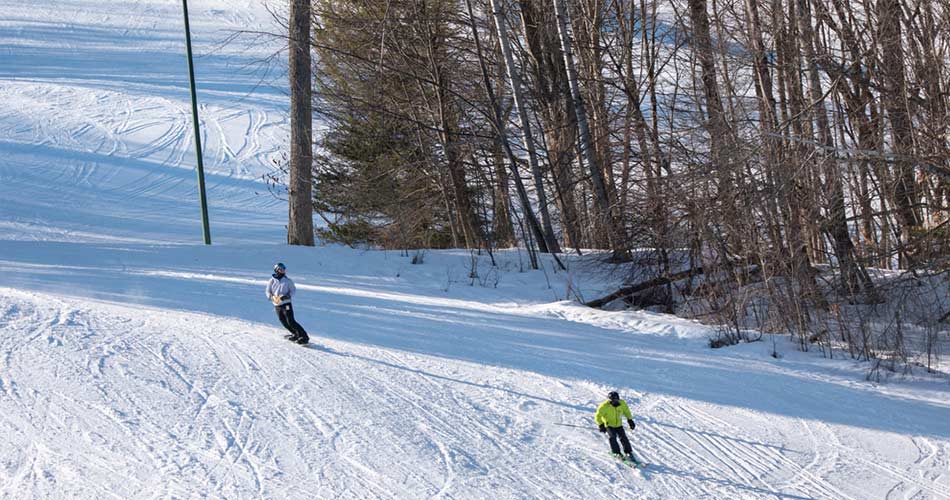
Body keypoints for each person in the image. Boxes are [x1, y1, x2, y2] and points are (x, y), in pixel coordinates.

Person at [265, 262, 309, 344]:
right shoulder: (271, 281)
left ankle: (304, 337)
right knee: (283, 321)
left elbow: (293, 291)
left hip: (286, 303)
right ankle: (295, 334)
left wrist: (287, 296)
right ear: (277, 270)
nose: (283, 270)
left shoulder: (288, 281)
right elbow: (267, 291)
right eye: (281, 269)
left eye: (284, 269)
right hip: (277, 304)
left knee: (291, 321)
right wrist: (271, 297)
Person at [595, 391, 637, 462]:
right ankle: (616, 452)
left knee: (623, 437)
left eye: (616, 400)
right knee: (612, 437)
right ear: (609, 400)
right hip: (609, 425)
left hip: (618, 425)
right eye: (612, 400)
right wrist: (601, 425)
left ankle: (628, 452)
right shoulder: (604, 406)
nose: (615, 402)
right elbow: (597, 416)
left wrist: (630, 420)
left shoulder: (622, 403)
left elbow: (626, 411)